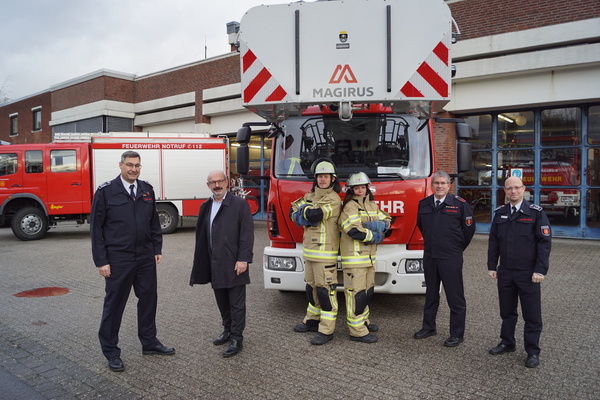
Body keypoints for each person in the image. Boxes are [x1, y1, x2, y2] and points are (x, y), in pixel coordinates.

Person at [91, 150, 175, 373]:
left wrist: (156, 248)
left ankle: (149, 342)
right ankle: (111, 352)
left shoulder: (146, 189)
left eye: (137, 165)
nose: (133, 169)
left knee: (148, 300)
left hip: (145, 257)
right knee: (115, 304)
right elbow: (96, 229)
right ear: (120, 165)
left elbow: (154, 222)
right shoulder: (106, 191)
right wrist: (101, 261)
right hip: (119, 258)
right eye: (129, 165)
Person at [487, 175, 551, 368]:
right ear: (505, 191)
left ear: (524, 189)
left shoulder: (536, 212)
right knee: (507, 311)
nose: (513, 191)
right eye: (509, 188)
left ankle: (532, 351)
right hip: (506, 271)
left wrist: (540, 270)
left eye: (517, 187)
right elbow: (494, 241)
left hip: (528, 273)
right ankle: (507, 342)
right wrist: (492, 265)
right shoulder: (500, 213)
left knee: (532, 315)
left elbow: (544, 243)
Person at [190, 170, 254, 358]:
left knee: (236, 303)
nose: (217, 185)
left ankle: (236, 338)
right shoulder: (206, 206)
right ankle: (227, 330)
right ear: (208, 185)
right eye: (213, 182)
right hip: (214, 262)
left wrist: (243, 259)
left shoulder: (240, 205)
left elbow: (247, 234)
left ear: (227, 183)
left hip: (234, 262)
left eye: (220, 181)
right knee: (222, 300)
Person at [414, 170, 475, 347]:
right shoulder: (424, 204)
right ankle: (428, 327)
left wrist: (456, 248)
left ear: (449, 185)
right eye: (437, 183)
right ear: (432, 185)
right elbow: (421, 225)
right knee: (430, 294)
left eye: (443, 183)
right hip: (430, 256)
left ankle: (457, 334)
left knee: (455, 297)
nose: (440, 186)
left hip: (450, 257)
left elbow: (469, 231)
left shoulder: (459, 205)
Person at [291, 159, 342, 345]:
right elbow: (292, 211)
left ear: (332, 179)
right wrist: (303, 213)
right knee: (311, 289)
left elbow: (315, 215)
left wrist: (303, 212)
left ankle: (327, 330)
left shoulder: (333, 199)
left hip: (325, 254)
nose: (322, 180)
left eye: (326, 176)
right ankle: (312, 320)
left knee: (325, 292)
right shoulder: (310, 195)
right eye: (320, 176)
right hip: (310, 252)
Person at [338, 172, 391, 343]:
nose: (360, 190)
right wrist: (375, 233)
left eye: (363, 187)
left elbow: (387, 221)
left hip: (369, 258)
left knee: (367, 292)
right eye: (357, 188)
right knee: (356, 295)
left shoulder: (371, 205)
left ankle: (364, 321)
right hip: (354, 259)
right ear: (351, 190)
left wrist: (374, 225)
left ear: (367, 188)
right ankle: (357, 331)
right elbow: (354, 231)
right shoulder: (349, 207)